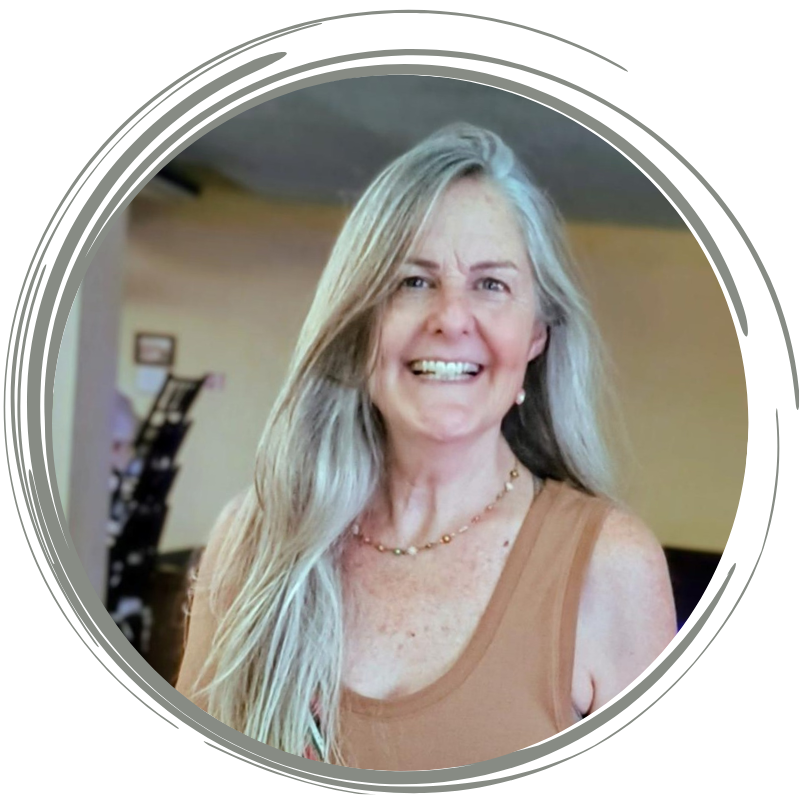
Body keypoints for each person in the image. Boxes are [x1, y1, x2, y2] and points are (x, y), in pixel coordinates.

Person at [175, 123, 678, 771]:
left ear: (536, 336)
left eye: (491, 284)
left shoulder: (609, 565)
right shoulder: (253, 540)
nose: (450, 316)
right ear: (359, 323)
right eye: (413, 281)